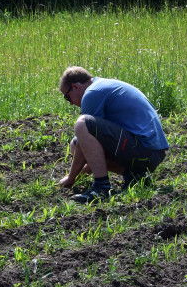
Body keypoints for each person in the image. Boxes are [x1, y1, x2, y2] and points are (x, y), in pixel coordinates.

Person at [58, 66, 169, 203]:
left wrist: (71, 178)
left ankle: (101, 187)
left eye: (67, 97)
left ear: (75, 87)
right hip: (150, 153)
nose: (71, 104)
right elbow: (87, 147)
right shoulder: (102, 86)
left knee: (82, 123)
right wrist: (77, 174)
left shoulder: (92, 93)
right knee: (75, 144)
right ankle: (135, 177)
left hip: (145, 151)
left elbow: (84, 141)